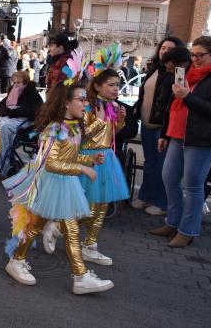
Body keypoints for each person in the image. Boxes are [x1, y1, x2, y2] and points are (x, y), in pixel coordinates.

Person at [3, 78, 113, 295]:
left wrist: (89, 160)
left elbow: (70, 155)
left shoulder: (73, 126)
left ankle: (76, 275)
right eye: (81, 100)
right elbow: (51, 164)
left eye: (86, 100)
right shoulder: (54, 129)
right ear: (65, 103)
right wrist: (82, 169)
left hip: (64, 184)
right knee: (46, 227)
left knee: (54, 228)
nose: (85, 104)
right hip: (51, 183)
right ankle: (21, 262)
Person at [151, 36, 211, 247]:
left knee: (193, 186)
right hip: (178, 135)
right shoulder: (188, 72)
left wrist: (187, 96)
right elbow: (173, 105)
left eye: (200, 55)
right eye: (192, 54)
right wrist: (166, 134)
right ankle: (173, 221)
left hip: (203, 139)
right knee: (169, 178)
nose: (194, 59)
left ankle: (187, 230)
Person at [77, 60, 129, 266]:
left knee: (102, 206)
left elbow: (112, 134)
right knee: (88, 207)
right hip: (90, 158)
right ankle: (58, 225)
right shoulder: (89, 106)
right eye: (111, 84)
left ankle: (90, 245)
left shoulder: (113, 106)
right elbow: (83, 136)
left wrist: (120, 121)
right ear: (98, 86)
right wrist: (99, 121)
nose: (116, 89)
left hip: (107, 158)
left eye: (117, 84)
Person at [132, 38, 188, 215]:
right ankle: (146, 195)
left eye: (170, 49)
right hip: (148, 124)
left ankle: (161, 202)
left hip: (163, 127)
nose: (165, 52)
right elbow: (145, 94)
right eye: (163, 48)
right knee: (150, 163)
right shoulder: (155, 67)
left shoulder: (177, 72)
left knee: (163, 167)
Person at [0, 71, 43, 176]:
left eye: (19, 83)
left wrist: (13, 111)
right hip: (10, 118)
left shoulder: (32, 94)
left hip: (25, 122)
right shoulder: (13, 92)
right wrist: (6, 111)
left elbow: (34, 112)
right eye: (14, 82)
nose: (16, 85)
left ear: (25, 83)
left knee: (4, 128)